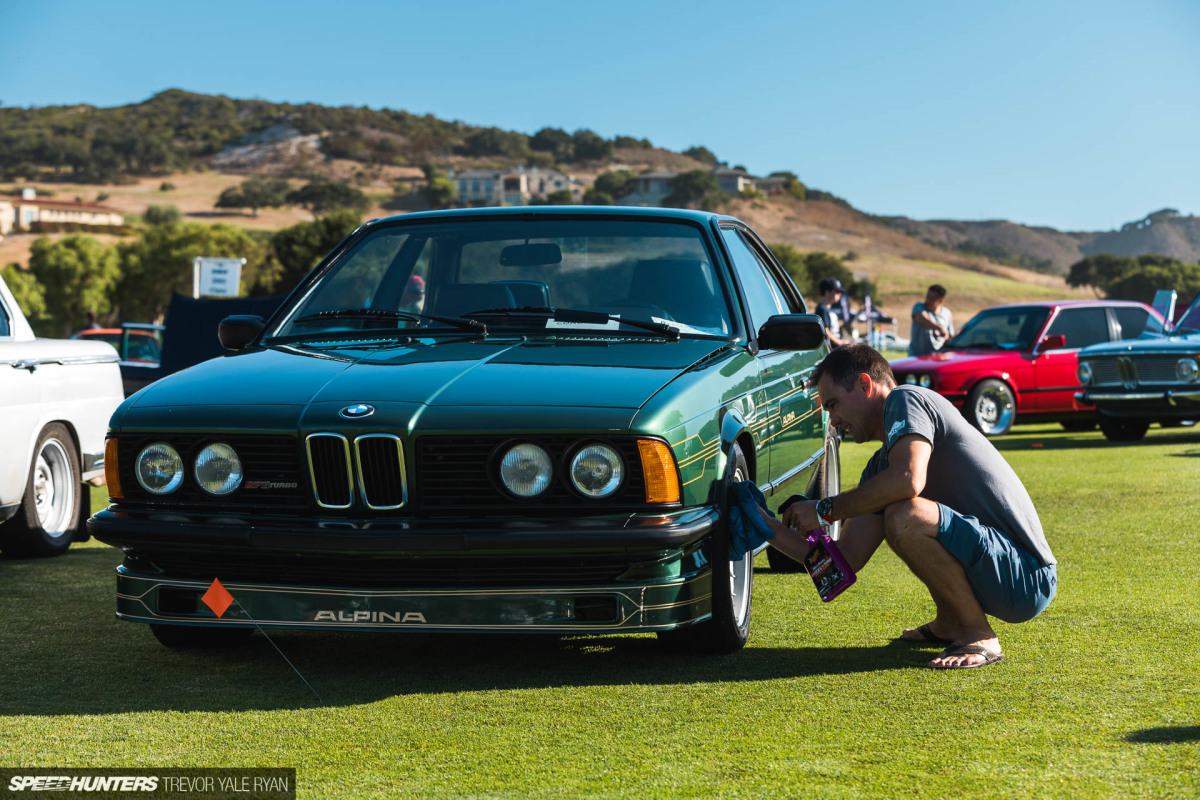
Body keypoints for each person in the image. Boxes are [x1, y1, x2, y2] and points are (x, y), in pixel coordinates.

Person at [759, 344, 1056, 669]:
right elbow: (841, 565)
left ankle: (978, 633)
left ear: (864, 385)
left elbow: (908, 481)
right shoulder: (880, 468)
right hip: (997, 573)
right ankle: (951, 622)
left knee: (905, 515)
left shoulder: (906, 400)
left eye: (834, 406)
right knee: (902, 514)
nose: (833, 421)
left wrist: (822, 510)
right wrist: (764, 526)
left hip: (1026, 576)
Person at [908, 284, 953, 356]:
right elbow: (921, 318)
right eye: (928, 297)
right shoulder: (919, 307)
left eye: (933, 299)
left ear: (941, 301)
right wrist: (940, 328)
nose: (928, 300)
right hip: (917, 357)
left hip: (937, 358)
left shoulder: (947, 313)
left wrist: (946, 337)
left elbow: (950, 336)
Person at [814, 278, 852, 348]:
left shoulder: (828, 309)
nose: (840, 294)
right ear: (827, 291)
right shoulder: (822, 309)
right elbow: (825, 330)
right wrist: (839, 342)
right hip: (829, 349)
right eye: (837, 292)